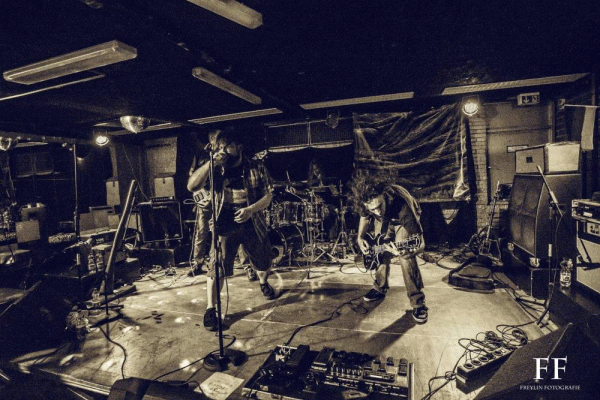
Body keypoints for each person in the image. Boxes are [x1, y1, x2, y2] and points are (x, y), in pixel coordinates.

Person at [187, 129, 276, 331]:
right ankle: (210, 309)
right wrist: (211, 163)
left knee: (263, 262)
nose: (224, 151)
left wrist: (250, 210)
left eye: (229, 147)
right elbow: (192, 186)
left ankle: (263, 282)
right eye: (221, 147)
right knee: (216, 265)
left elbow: (268, 196)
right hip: (224, 221)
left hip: (252, 220)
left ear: (239, 147)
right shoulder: (215, 168)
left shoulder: (256, 166)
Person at [351, 176, 428, 323]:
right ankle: (380, 287)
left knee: (404, 255)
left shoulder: (403, 206)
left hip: (402, 218)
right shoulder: (367, 202)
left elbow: (421, 243)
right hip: (387, 219)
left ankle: (418, 302)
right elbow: (365, 217)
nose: (377, 212)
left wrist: (409, 252)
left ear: (384, 196)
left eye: (379, 206)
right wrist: (360, 238)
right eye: (372, 209)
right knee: (379, 248)